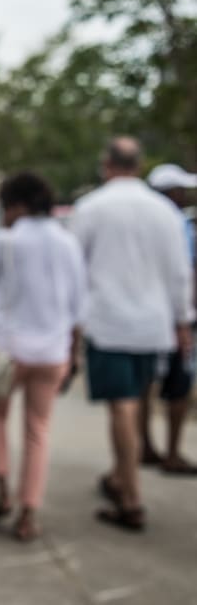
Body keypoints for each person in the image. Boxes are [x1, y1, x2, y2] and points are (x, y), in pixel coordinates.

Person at [71, 138, 195, 532]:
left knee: (122, 406)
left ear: (106, 165)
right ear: (138, 166)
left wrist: (71, 327)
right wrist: (182, 320)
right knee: (137, 397)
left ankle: (131, 496)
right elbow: (179, 272)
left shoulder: (91, 208)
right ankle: (123, 475)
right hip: (153, 324)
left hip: (110, 324)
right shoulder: (164, 212)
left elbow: (75, 272)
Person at [0, 172, 85, 542]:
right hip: (53, 350)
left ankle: (2, 489)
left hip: (8, 349)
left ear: (18, 205)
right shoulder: (68, 242)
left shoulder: (5, 241)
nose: (3, 214)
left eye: (5, 207)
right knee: (38, 430)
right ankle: (29, 512)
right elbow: (78, 304)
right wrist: (75, 349)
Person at [140, 163, 197, 473]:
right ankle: (172, 452)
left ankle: (146, 446)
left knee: (144, 386)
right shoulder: (177, 223)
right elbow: (185, 273)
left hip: (145, 315)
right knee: (179, 386)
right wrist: (184, 321)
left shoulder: (141, 221)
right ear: (173, 192)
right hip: (175, 316)